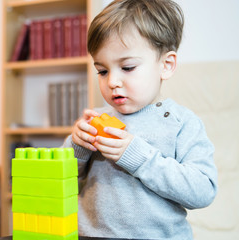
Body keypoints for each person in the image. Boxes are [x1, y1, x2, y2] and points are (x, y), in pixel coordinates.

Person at [61, 0, 218, 239]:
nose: (112, 81)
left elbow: (203, 190)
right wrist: (77, 147)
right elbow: (61, 179)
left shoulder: (181, 124)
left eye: (128, 67)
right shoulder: (96, 119)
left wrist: (139, 158)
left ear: (166, 65)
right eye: (102, 71)